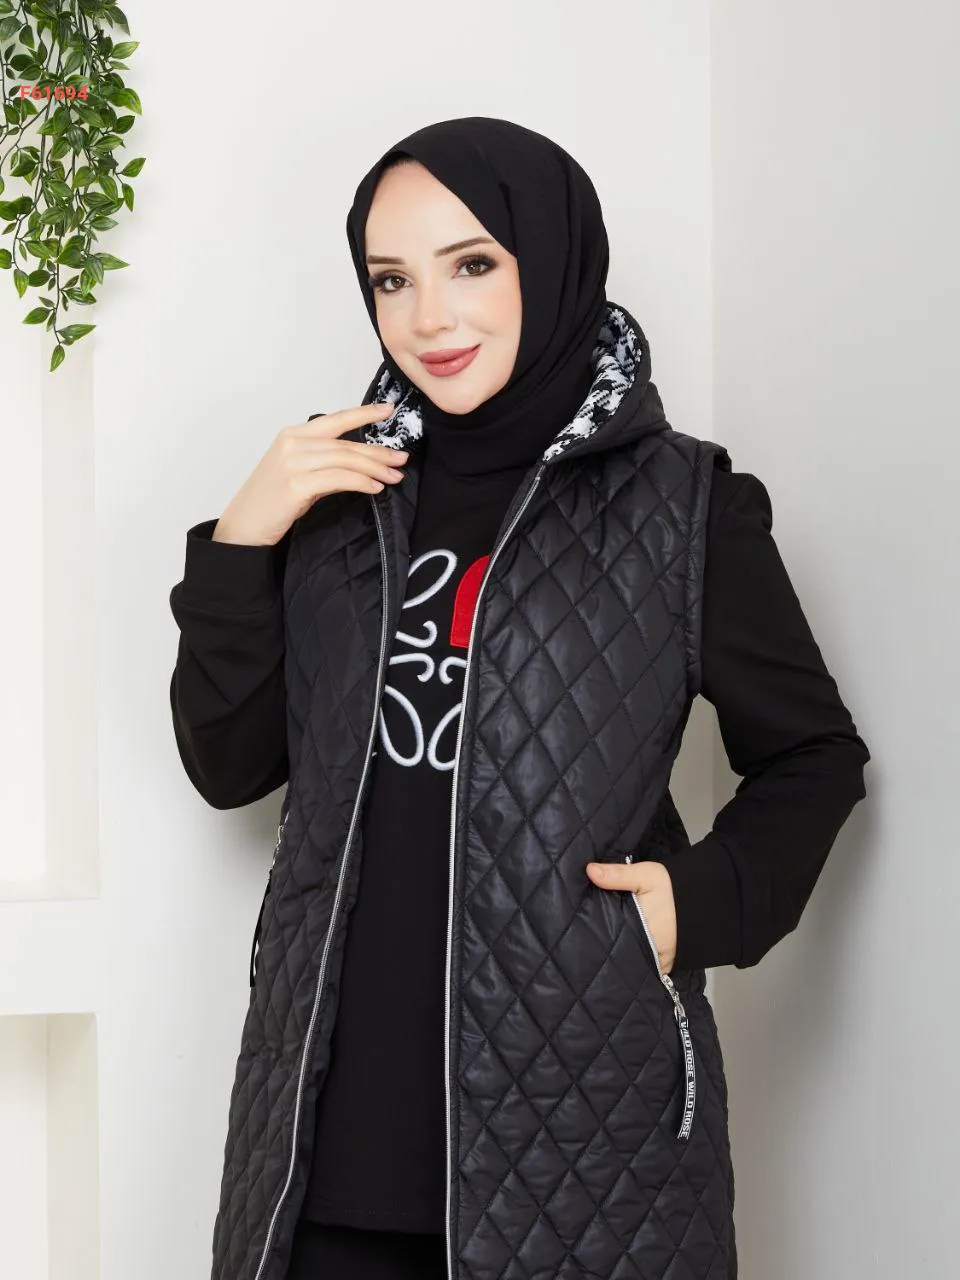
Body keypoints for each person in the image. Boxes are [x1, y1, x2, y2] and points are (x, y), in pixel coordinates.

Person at [169, 117, 870, 1280]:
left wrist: (699, 904)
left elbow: (814, 752)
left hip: (583, 1145)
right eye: (392, 279)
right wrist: (242, 543)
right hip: (319, 1145)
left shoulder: (682, 503)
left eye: (471, 264)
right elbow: (229, 765)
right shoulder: (341, 495)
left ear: (550, 258)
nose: (428, 317)